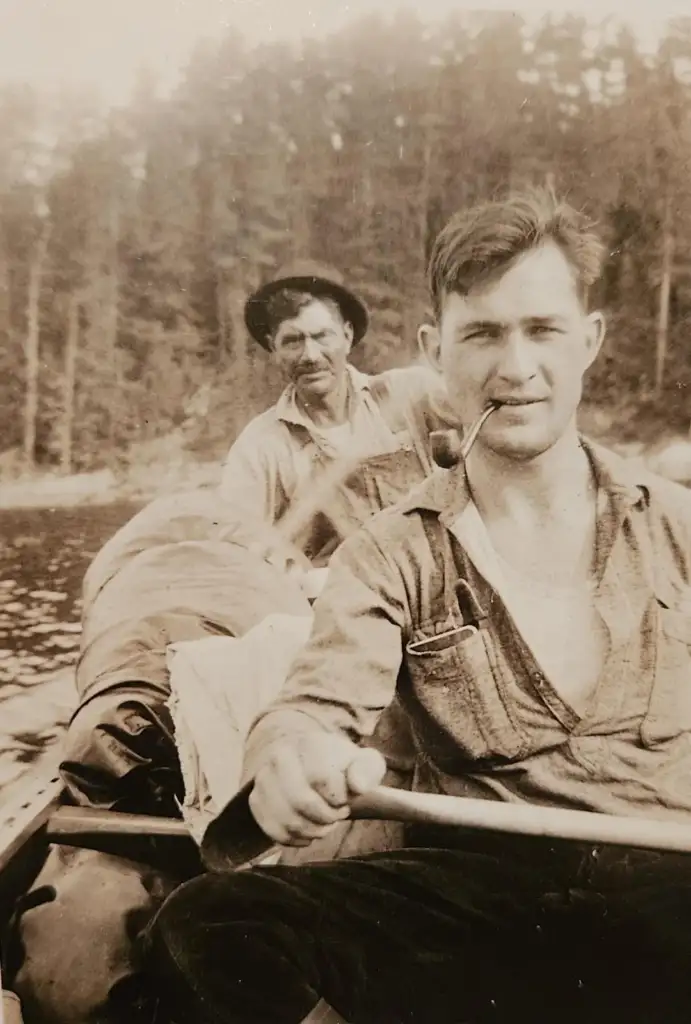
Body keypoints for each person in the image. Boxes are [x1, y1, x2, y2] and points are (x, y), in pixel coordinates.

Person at [142, 187, 691, 1024]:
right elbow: (311, 709)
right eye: (482, 334)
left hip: (668, 882)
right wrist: (287, 764)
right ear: (437, 352)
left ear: (589, 342)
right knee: (210, 918)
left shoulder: (678, 522)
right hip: (479, 898)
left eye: (541, 329)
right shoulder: (389, 551)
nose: (514, 367)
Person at [220, 260, 453, 578]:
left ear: (346, 336)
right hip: (334, 607)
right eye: (292, 341)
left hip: (432, 588)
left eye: (322, 336)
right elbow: (231, 547)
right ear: (273, 349)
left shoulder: (409, 394)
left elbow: (488, 441)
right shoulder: (261, 447)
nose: (310, 356)